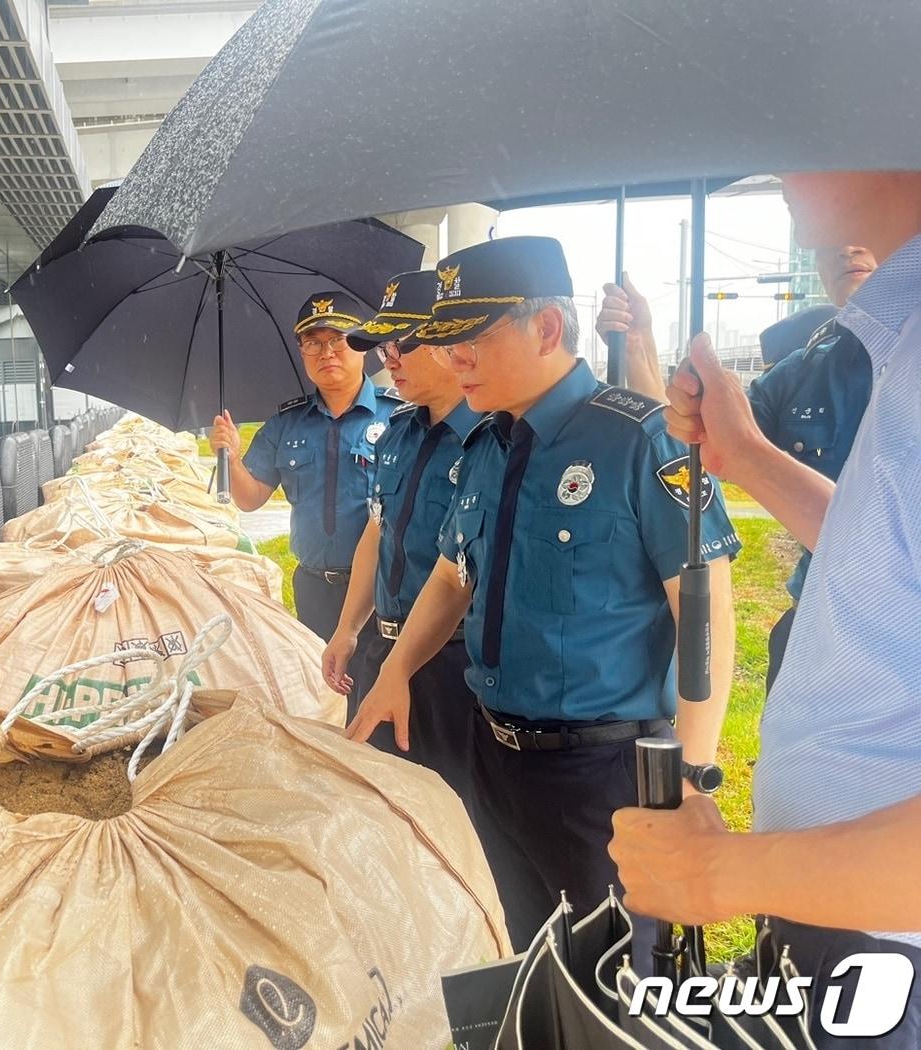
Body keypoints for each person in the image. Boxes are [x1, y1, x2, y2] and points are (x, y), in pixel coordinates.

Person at [347, 237, 738, 950]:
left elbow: (706, 610)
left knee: (617, 980)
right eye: (445, 341)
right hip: (495, 757)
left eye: (468, 339)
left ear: (548, 329)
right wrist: (396, 669)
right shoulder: (489, 446)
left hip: (601, 778)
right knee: (531, 959)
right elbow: (451, 575)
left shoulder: (639, 438)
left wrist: (689, 772)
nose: (452, 357)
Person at [610, 171, 921, 1049]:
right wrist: (743, 455)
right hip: (835, 920)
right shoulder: (900, 337)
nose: (780, 155)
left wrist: (719, 872)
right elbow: (891, 557)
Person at [597, 245, 877, 688]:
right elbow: (687, 451)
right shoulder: (803, 370)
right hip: (815, 636)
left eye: (873, 208)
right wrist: (637, 347)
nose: (847, 243)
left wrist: (747, 453)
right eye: (832, 229)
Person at [319, 270, 484, 773]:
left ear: (448, 342)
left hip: (453, 663)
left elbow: (462, 571)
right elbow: (378, 530)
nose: (388, 358)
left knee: (448, 815)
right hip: (380, 648)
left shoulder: (489, 442)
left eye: (402, 343)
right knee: (373, 802)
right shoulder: (397, 433)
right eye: (384, 345)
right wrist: (348, 628)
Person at [208, 291, 403, 660]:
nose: (326, 353)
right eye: (313, 343)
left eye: (337, 340)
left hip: (383, 588)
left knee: (377, 698)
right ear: (301, 351)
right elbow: (250, 500)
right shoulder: (286, 423)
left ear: (362, 345)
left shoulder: (398, 418)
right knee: (321, 696)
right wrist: (231, 459)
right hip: (314, 588)